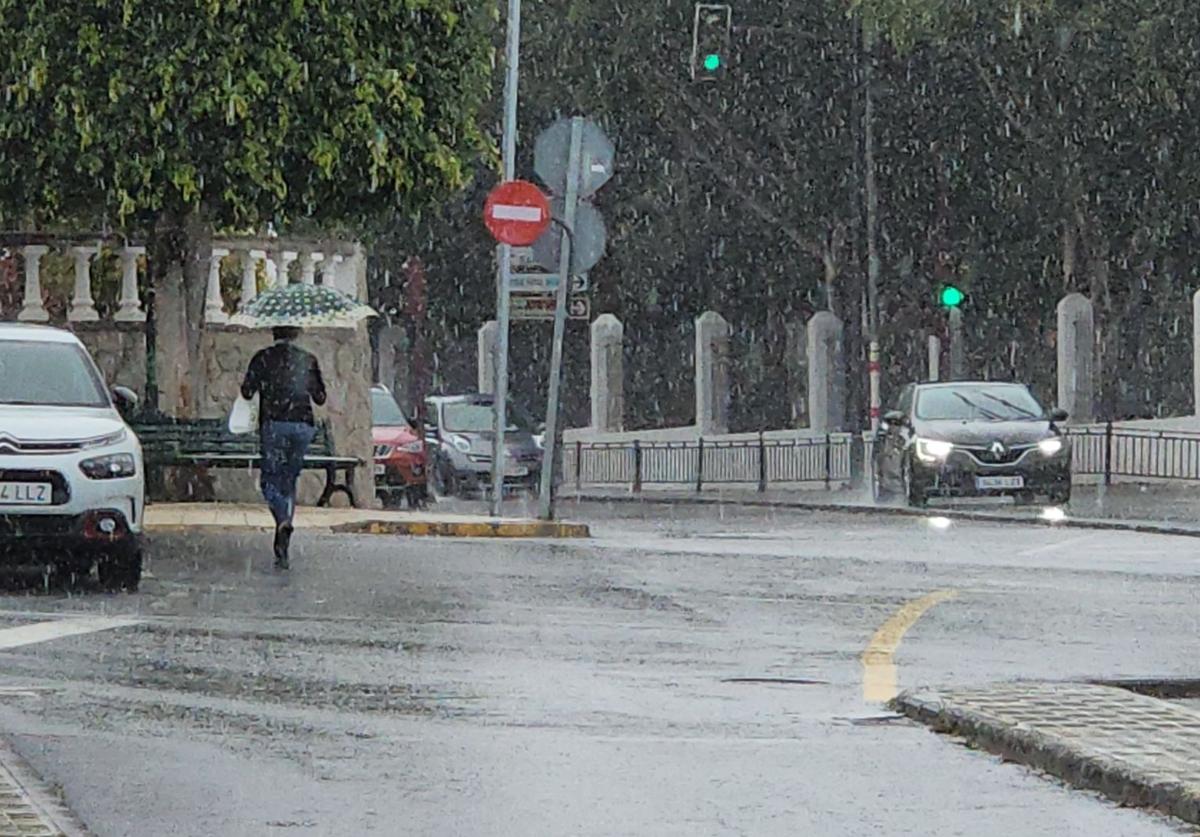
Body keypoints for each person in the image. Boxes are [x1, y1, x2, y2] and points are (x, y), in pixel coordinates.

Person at [241, 326, 327, 568]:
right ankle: (285, 529)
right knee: (289, 479)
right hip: (302, 425)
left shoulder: (262, 357)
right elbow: (320, 397)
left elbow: (247, 392)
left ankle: (281, 518)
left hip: (275, 423)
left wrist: (264, 386)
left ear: (273, 333)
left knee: (270, 480)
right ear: (296, 334)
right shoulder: (308, 359)